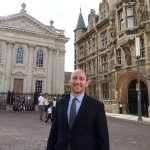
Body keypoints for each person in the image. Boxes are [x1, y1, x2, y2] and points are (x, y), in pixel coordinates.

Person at [46, 69, 109, 150]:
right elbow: (53, 132)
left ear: (86, 83)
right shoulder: (59, 104)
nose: (77, 81)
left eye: (81, 79)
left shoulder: (97, 106)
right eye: (74, 78)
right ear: (69, 82)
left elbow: (102, 137)